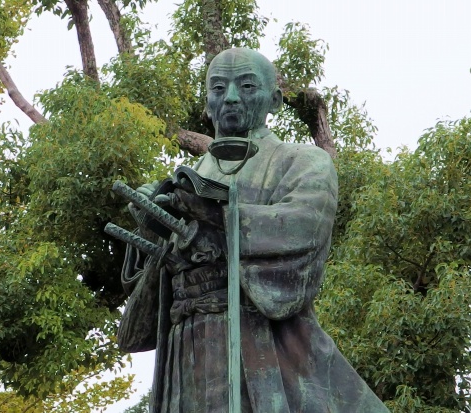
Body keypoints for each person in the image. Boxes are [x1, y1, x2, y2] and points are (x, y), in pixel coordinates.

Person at [117, 48, 389, 412]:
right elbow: (150, 284)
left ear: (274, 100)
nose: (230, 97)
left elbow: (303, 227)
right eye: (218, 88)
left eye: (246, 86)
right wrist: (153, 222)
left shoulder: (302, 161)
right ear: (208, 102)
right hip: (184, 348)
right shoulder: (181, 180)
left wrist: (219, 217)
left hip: (258, 345)